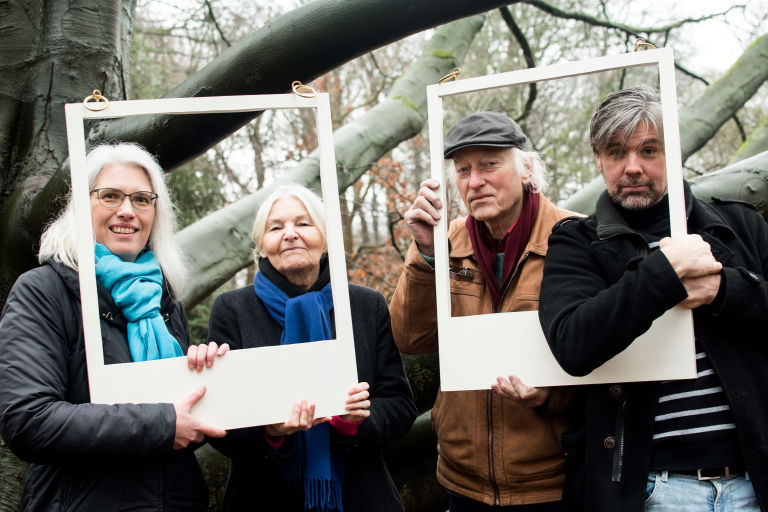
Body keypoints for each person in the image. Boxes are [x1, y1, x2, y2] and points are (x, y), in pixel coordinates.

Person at [538, 85, 768, 511]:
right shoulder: (576, 244)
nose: (632, 168)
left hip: (754, 482)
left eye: (648, 150)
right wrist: (665, 272)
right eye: (616, 152)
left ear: (673, 152)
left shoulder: (740, 224)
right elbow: (572, 343)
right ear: (598, 160)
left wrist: (723, 291)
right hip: (653, 488)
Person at [0, 143, 226, 511]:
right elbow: (29, 420)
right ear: (81, 205)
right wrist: (164, 424)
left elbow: (185, 420)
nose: (127, 211)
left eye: (141, 199)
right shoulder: (43, 291)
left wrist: (206, 381)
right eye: (110, 196)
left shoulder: (162, 299)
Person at [390, 111, 575, 511]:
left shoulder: (574, 238)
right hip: (463, 479)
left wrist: (551, 395)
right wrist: (426, 254)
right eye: (463, 170)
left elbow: (606, 356)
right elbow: (411, 338)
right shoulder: (445, 242)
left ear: (527, 169)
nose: (474, 181)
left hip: (553, 479)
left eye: (490, 165)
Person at [204, 184, 417, 512]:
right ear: (262, 247)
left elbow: (400, 405)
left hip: (358, 493)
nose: (290, 234)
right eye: (276, 228)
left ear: (326, 238)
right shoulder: (232, 309)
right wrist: (269, 431)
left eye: (303, 223)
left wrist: (356, 420)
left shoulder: (365, 305)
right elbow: (218, 420)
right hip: (263, 495)